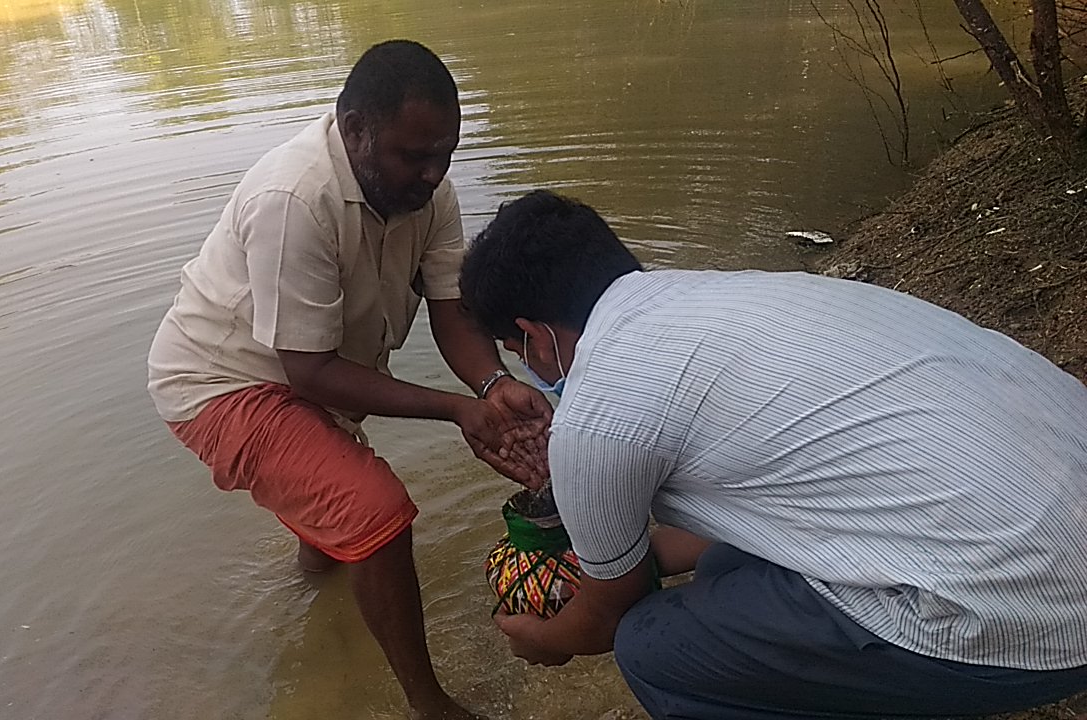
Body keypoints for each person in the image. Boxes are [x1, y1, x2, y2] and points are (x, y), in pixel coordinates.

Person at [459, 189, 1087, 719]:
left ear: (535, 336)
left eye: (519, 352)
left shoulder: (596, 414)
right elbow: (765, 502)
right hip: (1055, 509)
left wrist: (542, 636)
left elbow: (602, 617)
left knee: (651, 647)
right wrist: (605, 555)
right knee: (723, 572)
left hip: (1036, 619)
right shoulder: (728, 296)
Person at [147, 41, 550, 720]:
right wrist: (457, 410)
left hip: (310, 374)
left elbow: (451, 310)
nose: (433, 174)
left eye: (445, 154)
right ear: (355, 128)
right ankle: (431, 706)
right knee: (377, 515)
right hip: (223, 384)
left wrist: (491, 386)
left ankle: (312, 600)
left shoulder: (428, 192)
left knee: (337, 519)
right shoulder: (294, 199)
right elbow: (310, 371)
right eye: (413, 156)